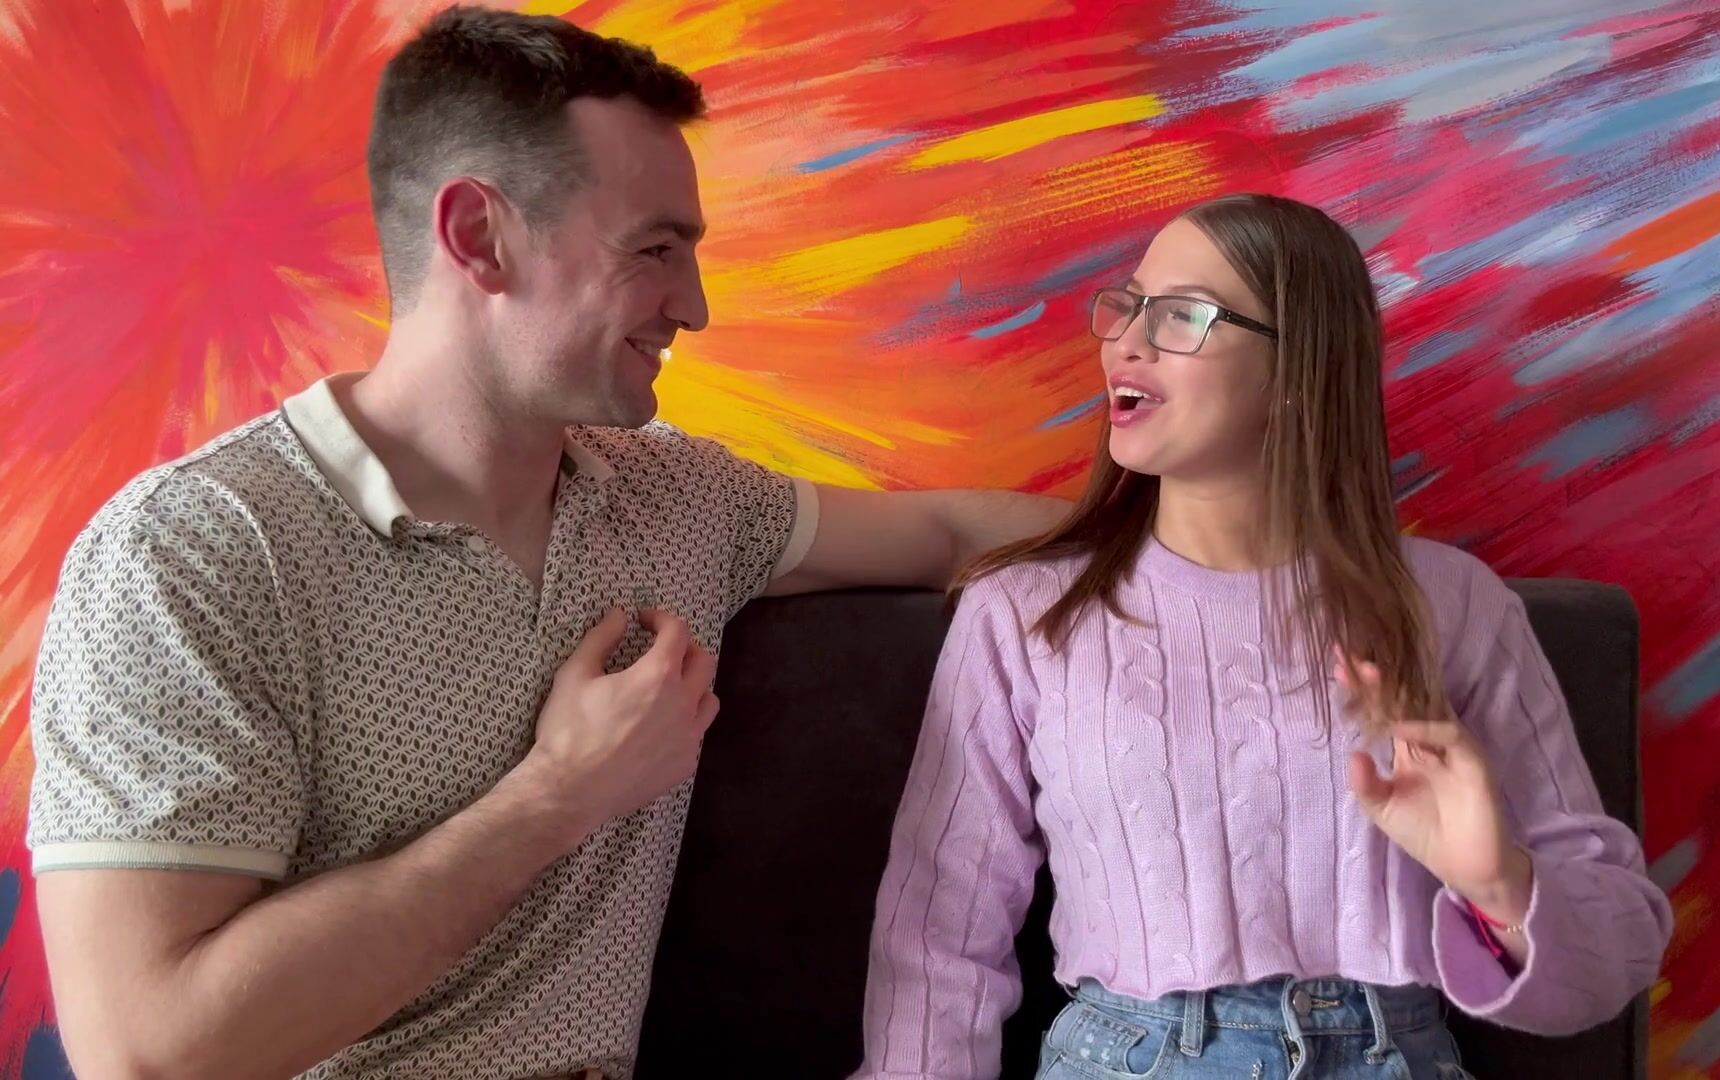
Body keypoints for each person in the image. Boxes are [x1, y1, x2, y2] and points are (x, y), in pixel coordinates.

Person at [26, 9, 1063, 1080]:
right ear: (480, 236)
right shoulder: (192, 554)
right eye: (654, 249)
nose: (693, 306)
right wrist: (559, 797)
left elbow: (952, 532)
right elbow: (146, 1053)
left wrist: (1189, 526)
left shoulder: (682, 500)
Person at [854, 194, 1673, 1079]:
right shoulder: (1020, 615)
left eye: (1181, 316)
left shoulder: (1452, 602)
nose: (1125, 342)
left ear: (1296, 367)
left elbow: (1616, 958)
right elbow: (937, 936)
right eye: (1127, 306)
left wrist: (1497, 882)